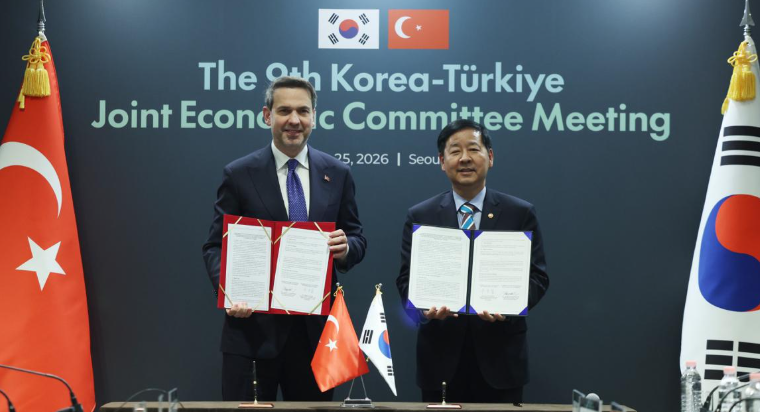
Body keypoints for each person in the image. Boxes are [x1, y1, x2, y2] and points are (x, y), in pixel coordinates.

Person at [202, 76, 367, 401]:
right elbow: (215, 246)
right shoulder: (239, 174)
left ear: (314, 116)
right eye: (284, 111)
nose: (294, 120)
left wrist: (346, 247)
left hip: (315, 337)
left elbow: (357, 237)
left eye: (303, 111)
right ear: (267, 116)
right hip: (251, 332)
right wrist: (230, 291)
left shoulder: (337, 173)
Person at [396, 119, 549, 404]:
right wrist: (424, 310)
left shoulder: (520, 213)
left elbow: (538, 278)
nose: (465, 158)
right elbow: (406, 282)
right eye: (455, 151)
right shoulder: (421, 216)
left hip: (502, 360)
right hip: (440, 361)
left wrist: (509, 306)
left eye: (473, 149)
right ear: (442, 162)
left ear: (490, 157)